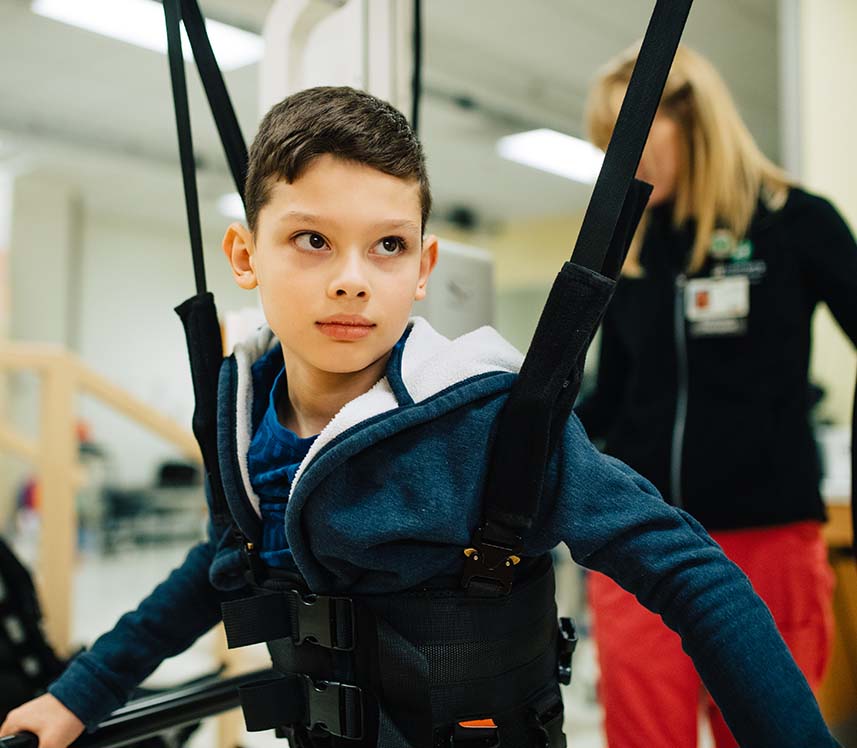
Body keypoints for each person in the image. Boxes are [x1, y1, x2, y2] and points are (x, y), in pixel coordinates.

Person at [0, 86, 841, 748]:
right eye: (312, 240)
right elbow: (219, 567)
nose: (353, 279)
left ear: (424, 267)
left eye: (388, 246)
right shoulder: (240, 409)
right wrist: (80, 694)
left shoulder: (481, 420)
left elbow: (695, 576)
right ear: (244, 255)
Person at [578, 44, 857, 748]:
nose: (621, 159)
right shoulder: (629, 248)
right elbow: (607, 398)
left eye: (633, 134)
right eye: (608, 143)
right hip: (640, 544)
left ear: (692, 121)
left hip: (767, 539)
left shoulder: (795, 223)